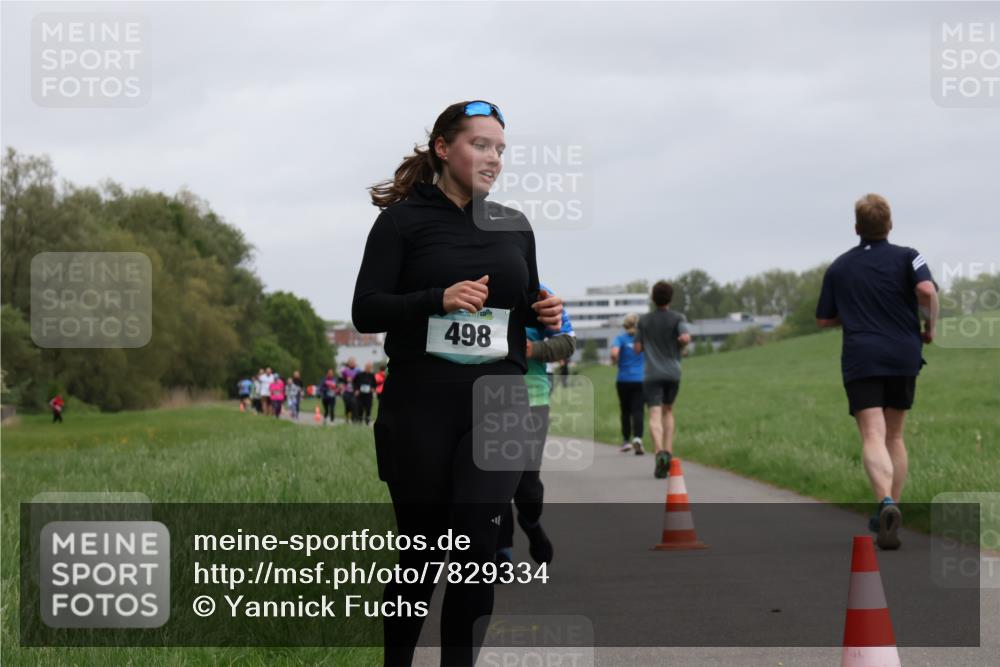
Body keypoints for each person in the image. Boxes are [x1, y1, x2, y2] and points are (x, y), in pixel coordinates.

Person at [352, 100, 563, 666]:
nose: (493, 157)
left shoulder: (515, 226)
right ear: (444, 149)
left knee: (474, 545)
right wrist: (435, 300)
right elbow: (366, 309)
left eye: (500, 148)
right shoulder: (400, 222)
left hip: (498, 401)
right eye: (480, 144)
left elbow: (523, 304)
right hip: (420, 406)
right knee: (421, 555)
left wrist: (542, 312)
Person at [816, 193, 937, 551]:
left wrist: (852, 313)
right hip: (903, 353)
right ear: (890, 224)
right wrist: (929, 328)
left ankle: (884, 502)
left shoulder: (839, 267)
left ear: (857, 228)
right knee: (895, 436)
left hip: (862, 357)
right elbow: (927, 291)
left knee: (872, 434)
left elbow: (824, 318)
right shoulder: (910, 256)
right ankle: (892, 507)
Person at [496, 283, 575, 567]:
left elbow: (567, 343)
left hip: (533, 399)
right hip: (484, 399)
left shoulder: (539, 293)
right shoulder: (470, 286)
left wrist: (532, 349)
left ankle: (531, 523)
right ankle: (501, 550)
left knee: (527, 485)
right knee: (493, 478)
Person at [634, 281, 691, 478]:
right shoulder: (678, 318)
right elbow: (685, 337)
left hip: (651, 374)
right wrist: (680, 342)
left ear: (653, 298)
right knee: (668, 411)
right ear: (670, 298)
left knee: (654, 415)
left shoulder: (644, 320)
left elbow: (638, 349)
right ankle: (668, 451)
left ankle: (658, 452)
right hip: (673, 372)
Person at [611, 313, 646, 454]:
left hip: (623, 379)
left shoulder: (620, 338)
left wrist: (615, 361)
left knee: (625, 411)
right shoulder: (643, 339)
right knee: (638, 410)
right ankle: (638, 438)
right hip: (641, 379)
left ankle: (626, 440)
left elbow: (614, 353)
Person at [340, 358, 358, 423]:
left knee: (353, 404)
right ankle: (347, 418)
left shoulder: (357, 371)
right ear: (348, 363)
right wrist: (344, 382)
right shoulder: (344, 371)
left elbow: (358, 381)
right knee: (347, 405)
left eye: (353, 362)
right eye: (351, 362)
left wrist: (357, 389)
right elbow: (341, 380)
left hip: (354, 391)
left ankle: (353, 419)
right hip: (346, 390)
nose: (352, 364)